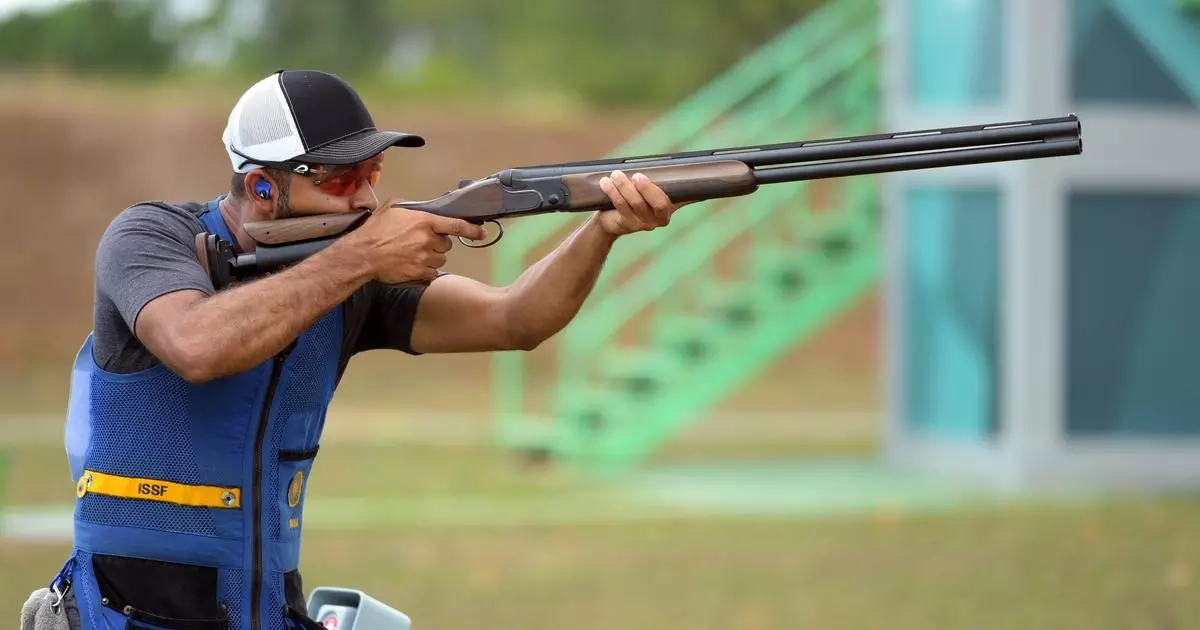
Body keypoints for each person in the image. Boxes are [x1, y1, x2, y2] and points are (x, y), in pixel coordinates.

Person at [25, 69, 684, 630]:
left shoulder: (350, 277)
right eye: (341, 181)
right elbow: (197, 346)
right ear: (261, 188)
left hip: (263, 608)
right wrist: (361, 255)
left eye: (372, 173)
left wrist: (603, 230)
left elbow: (516, 319)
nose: (368, 196)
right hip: (124, 611)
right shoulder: (149, 236)